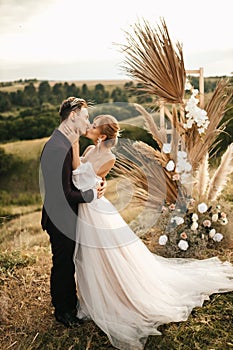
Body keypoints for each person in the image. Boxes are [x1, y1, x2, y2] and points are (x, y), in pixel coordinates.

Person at [70, 114, 233, 350]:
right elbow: (82, 172)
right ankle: (92, 295)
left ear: (102, 135)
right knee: (91, 254)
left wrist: (73, 140)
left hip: (94, 208)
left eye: (93, 125)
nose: (89, 126)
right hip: (87, 205)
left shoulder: (108, 157)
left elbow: (80, 172)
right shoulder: (89, 150)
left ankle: (115, 295)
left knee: (105, 254)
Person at [40, 97, 106, 328]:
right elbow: (64, 193)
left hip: (67, 214)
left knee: (67, 263)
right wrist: (91, 195)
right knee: (63, 265)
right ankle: (63, 311)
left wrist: (94, 185)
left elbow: (74, 180)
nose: (87, 122)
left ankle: (69, 304)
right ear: (73, 116)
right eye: (85, 117)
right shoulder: (57, 148)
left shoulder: (65, 142)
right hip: (59, 218)